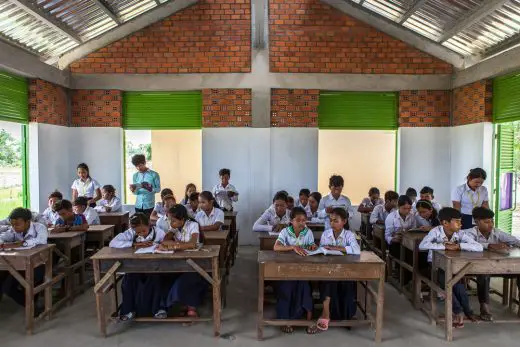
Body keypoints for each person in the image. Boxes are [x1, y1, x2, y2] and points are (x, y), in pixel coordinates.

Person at [419, 207, 482, 328]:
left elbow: (478, 247)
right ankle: (459, 312)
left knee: (458, 285)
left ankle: (467, 311)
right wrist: (444, 246)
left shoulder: (460, 234)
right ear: (445, 223)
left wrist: (459, 246)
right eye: (457, 221)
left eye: (460, 221)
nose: (460, 224)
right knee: (448, 283)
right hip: (435, 267)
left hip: (452, 267)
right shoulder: (436, 231)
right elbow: (422, 245)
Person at [463, 207, 520, 321]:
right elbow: (467, 244)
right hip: (476, 267)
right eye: (486, 222)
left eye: (492, 221)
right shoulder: (468, 233)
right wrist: (489, 245)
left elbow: (515, 241)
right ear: (477, 222)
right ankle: (484, 307)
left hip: (498, 267)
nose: (490, 224)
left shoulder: (496, 232)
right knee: (483, 274)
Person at [109, 213, 165, 321]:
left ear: (149, 224)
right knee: (128, 279)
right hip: (135, 266)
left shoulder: (159, 232)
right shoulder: (130, 233)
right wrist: (133, 244)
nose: (141, 234)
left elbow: (166, 243)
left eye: (143, 231)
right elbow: (113, 243)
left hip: (155, 265)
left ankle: (158, 309)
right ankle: (128, 310)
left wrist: (161, 245)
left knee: (156, 279)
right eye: (138, 232)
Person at [273, 207, 317, 334]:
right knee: (286, 288)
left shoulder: (308, 232)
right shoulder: (285, 232)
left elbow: (311, 247)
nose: (302, 223)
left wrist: (313, 247)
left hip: (303, 270)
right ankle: (285, 320)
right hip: (287, 270)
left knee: (305, 287)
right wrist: (293, 247)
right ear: (291, 221)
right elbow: (276, 247)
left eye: (304, 220)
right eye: (298, 220)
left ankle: (308, 320)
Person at [316, 208, 360, 331]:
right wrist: (326, 249)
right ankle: (326, 313)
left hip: (345, 270)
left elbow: (356, 250)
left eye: (336, 221)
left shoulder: (349, 235)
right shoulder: (326, 234)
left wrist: (337, 248)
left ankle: (346, 316)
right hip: (329, 269)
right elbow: (322, 250)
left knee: (347, 284)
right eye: (331, 220)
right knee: (328, 281)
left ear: (344, 221)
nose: (332, 223)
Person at [157, 205, 205, 319]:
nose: (171, 223)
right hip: (180, 262)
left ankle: (191, 307)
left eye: (173, 220)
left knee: (186, 279)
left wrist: (173, 246)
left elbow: (192, 244)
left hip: (196, 264)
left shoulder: (193, 225)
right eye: (169, 220)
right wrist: (172, 240)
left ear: (182, 219)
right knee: (164, 277)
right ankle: (175, 305)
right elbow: (164, 241)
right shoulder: (174, 228)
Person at [0, 208, 48, 308]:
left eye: (17, 224)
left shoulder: (39, 228)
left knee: (30, 284)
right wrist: (2, 244)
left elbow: (41, 240)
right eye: (12, 224)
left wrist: (19, 244)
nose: (14, 227)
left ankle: (32, 306)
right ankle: (31, 307)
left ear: (28, 222)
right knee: (7, 287)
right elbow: (3, 237)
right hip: (19, 266)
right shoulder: (13, 230)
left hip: (38, 265)